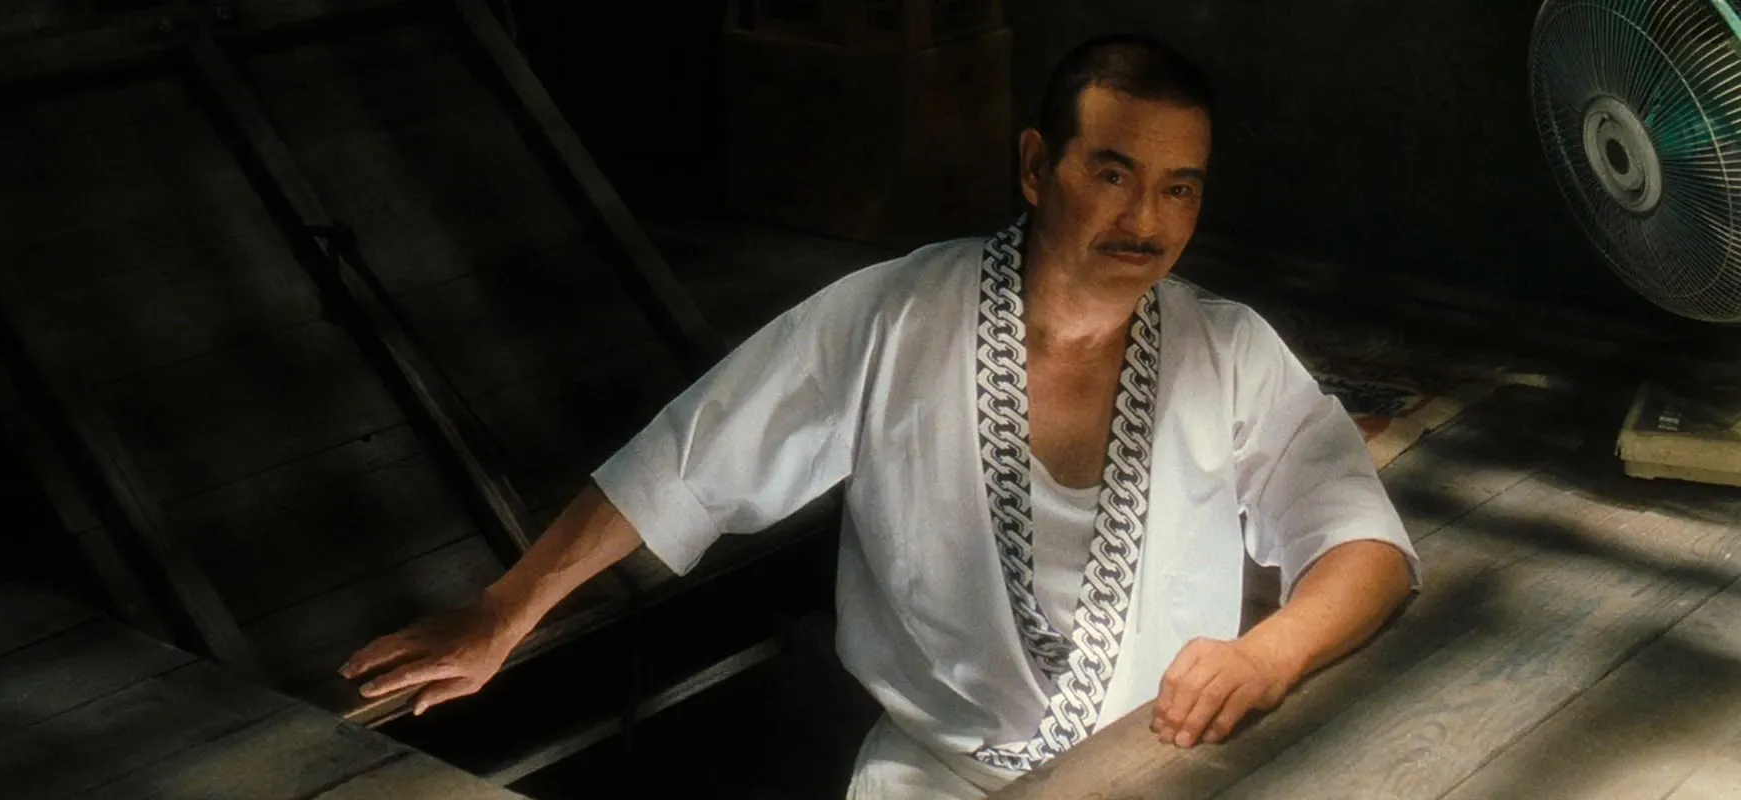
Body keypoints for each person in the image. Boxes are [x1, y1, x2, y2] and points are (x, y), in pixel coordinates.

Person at [340, 34, 1421, 798]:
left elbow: (1365, 542)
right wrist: (503, 611)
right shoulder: (896, 315)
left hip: (1164, 764)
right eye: (1112, 173)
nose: (1147, 218)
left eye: (1180, 187)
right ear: (1036, 166)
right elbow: (689, 459)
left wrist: (1268, 655)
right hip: (936, 778)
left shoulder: (1226, 350)